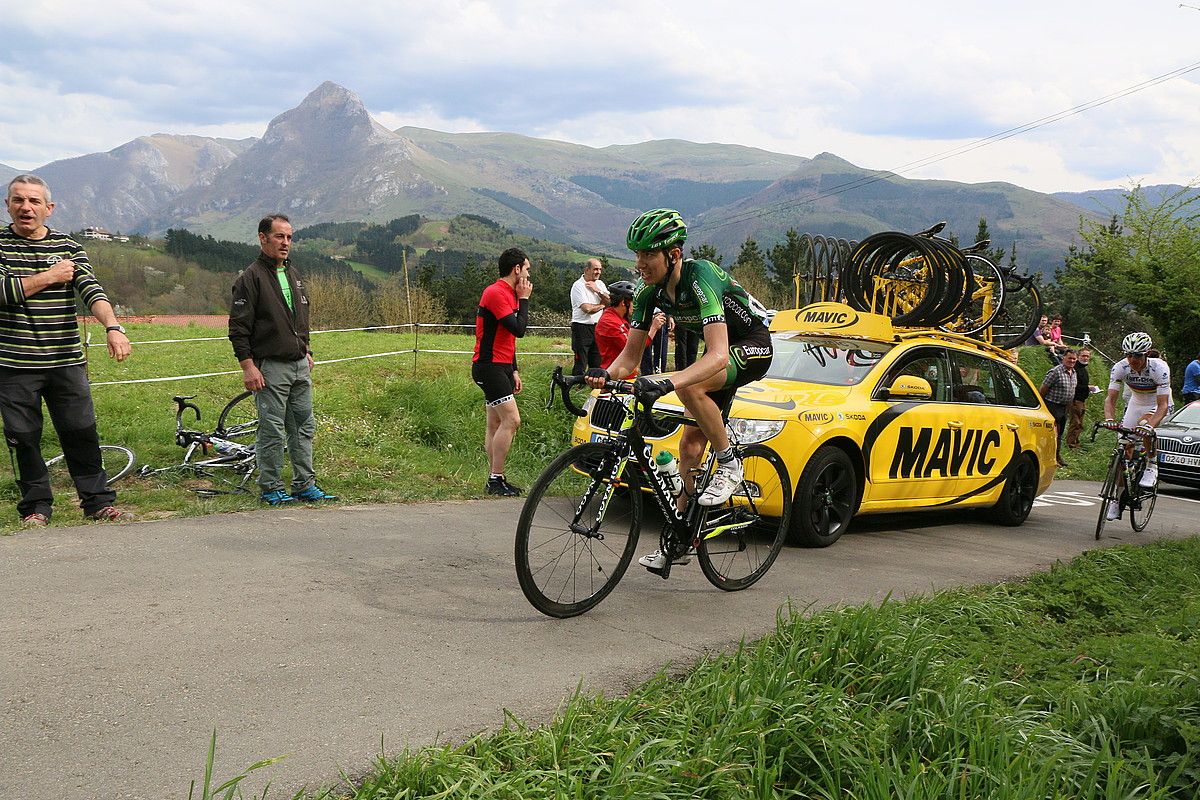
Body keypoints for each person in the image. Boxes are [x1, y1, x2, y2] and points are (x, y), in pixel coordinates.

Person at [585, 209, 773, 571]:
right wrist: (601, 376)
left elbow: (718, 355)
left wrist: (668, 381)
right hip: (721, 354)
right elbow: (628, 359)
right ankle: (681, 540)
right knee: (688, 447)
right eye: (637, 254)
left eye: (648, 254)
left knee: (691, 383)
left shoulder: (700, 276)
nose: (640, 263)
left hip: (752, 344)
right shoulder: (647, 293)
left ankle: (729, 462)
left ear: (673, 255)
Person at [0, 174, 134, 526]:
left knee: (81, 431)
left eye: (33, 201)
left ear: (49, 208)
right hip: (15, 364)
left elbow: (91, 290)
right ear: (8, 205)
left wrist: (113, 326)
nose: (25, 208)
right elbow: (3, 292)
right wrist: (50, 276)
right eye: (18, 200)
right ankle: (35, 508)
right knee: (23, 438)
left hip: (65, 361)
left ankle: (97, 502)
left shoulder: (70, 248)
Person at [229, 214, 337, 506]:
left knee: (304, 427)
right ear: (262, 237)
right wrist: (248, 366)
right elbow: (238, 329)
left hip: (299, 363)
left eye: (289, 237)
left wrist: (307, 349)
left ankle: (304, 484)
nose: (285, 243)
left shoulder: (294, 274)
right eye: (279, 237)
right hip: (270, 366)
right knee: (272, 429)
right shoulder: (250, 278)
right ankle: (271, 487)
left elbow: (300, 318)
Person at [472, 247, 533, 496]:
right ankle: (496, 479)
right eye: (527, 269)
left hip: (502, 365)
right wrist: (525, 300)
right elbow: (519, 328)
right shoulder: (496, 293)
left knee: (495, 422)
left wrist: (514, 370)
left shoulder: (510, 293)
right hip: (489, 366)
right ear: (516, 268)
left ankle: (494, 476)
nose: (529, 275)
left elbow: (508, 336)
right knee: (512, 420)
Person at [1102, 332, 1171, 521]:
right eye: (1129, 354)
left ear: (1147, 353)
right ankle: (1117, 498)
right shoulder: (1120, 367)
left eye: (1138, 355)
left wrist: (1149, 426)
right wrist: (1109, 418)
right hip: (1136, 403)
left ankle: (1151, 463)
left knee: (1144, 425)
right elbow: (1111, 399)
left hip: (1158, 405)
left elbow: (1163, 405)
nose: (1133, 359)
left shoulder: (1159, 368)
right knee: (1124, 448)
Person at [594, 280, 663, 371]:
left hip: (624, 373)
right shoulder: (609, 322)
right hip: (615, 374)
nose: (635, 306)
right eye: (634, 302)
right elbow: (633, 349)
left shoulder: (619, 317)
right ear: (623, 302)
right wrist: (653, 328)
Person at [568, 258, 608, 376]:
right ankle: (576, 388)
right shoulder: (578, 286)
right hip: (581, 328)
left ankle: (593, 387)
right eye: (595, 269)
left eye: (600, 269)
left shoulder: (600, 284)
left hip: (597, 327)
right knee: (581, 361)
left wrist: (598, 291)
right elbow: (587, 309)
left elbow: (610, 301)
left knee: (596, 361)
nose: (598, 272)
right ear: (587, 270)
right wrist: (602, 305)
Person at [1039, 348, 1077, 466]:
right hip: (1052, 405)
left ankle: (1057, 456)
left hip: (1064, 407)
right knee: (1051, 433)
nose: (1072, 361)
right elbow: (1043, 389)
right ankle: (1048, 458)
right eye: (1069, 358)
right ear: (1063, 358)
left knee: (1059, 433)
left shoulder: (1074, 373)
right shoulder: (1055, 372)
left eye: (1074, 359)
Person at [1065, 346, 1098, 449]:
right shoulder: (1075, 369)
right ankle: (1071, 444)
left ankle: (1076, 442)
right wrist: (1087, 387)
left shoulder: (1083, 369)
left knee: (1079, 423)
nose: (1086, 358)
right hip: (1075, 399)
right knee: (1075, 423)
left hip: (1082, 400)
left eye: (1087, 356)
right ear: (1078, 356)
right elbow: (1073, 385)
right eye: (1083, 356)